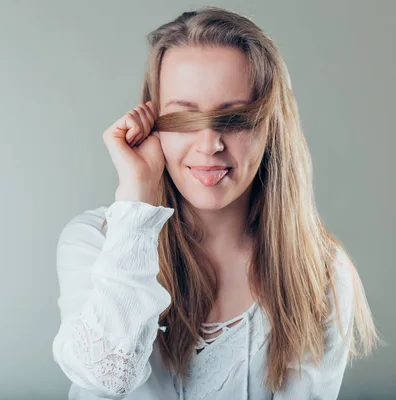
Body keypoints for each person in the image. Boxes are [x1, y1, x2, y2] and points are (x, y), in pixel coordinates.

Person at [52, 6, 379, 400]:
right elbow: (106, 378)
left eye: (235, 118)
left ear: (270, 127)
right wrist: (137, 196)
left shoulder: (320, 274)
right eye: (184, 118)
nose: (209, 145)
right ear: (152, 126)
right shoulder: (93, 242)